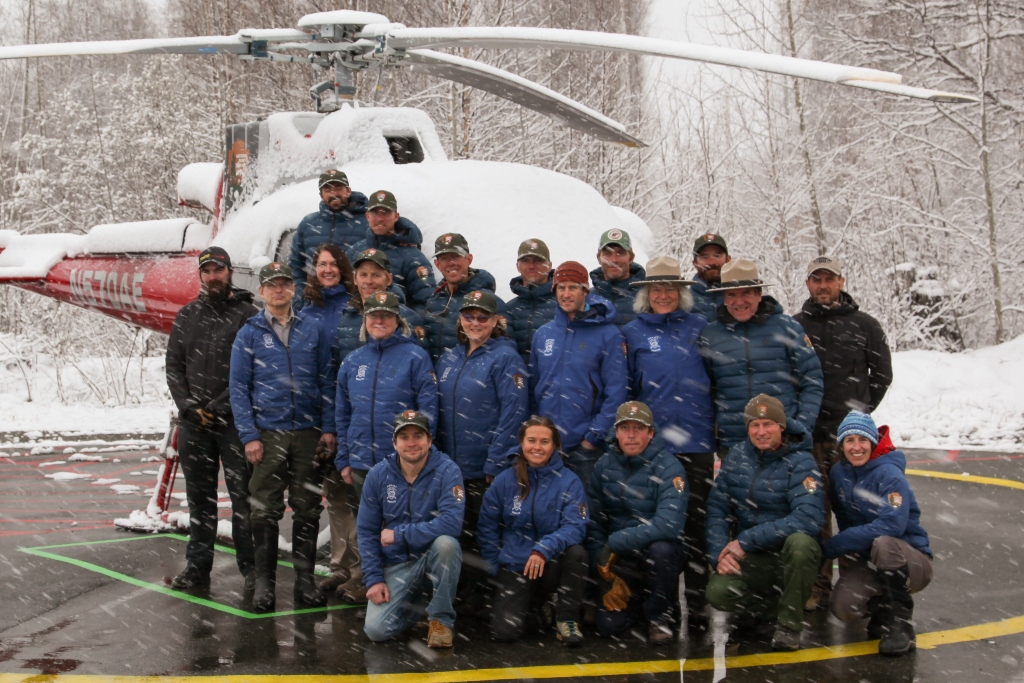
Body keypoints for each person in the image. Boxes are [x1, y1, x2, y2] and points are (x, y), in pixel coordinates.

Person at [229, 262, 336, 612]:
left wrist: (328, 428)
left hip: (308, 432)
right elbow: (238, 389)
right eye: (272, 285)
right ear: (261, 291)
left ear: (293, 289)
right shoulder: (249, 333)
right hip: (268, 433)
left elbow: (325, 382)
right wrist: (249, 435)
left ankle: (304, 583)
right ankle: (265, 585)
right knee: (264, 511)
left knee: (306, 508)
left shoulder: (312, 329)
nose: (278, 290)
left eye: (284, 284)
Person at [793, 255, 894, 611]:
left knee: (855, 515)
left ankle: (856, 586)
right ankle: (817, 586)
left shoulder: (866, 325)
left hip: (853, 442)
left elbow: (882, 376)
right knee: (815, 514)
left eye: (829, 279)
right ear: (807, 284)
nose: (823, 285)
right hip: (812, 437)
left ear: (842, 281)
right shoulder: (795, 326)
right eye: (816, 280)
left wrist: (859, 417)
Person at [622, 256, 714, 629]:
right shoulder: (633, 333)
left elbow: (716, 380)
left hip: (696, 444)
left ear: (681, 292)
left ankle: (698, 607)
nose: (663, 294)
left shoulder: (700, 328)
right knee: (657, 529)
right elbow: (626, 389)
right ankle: (660, 609)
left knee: (696, 527)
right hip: (654, 447)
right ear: (645, 294)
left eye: (670, 288)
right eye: (656, 288)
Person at [165, 246, 257, 591]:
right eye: (207, 271)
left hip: (233, 423)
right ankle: (198, 566)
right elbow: (174, 365)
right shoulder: (187, 315)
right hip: (194, 424)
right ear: (201, 275)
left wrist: (220, 407)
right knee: (199, 500)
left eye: (219, 270)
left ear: (229, 272)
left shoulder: (248, 315)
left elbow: (252, 371)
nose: (213, 276)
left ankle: (251, 570)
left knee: (242, 498)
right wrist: (188, 406)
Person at [705, 395, 824, 652]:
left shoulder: (802, 462)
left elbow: (808, 519)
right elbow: (717, 508)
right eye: (754, 425)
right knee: (717, 593)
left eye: (768, 424)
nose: (761, 432)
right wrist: (718, 554)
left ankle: (789, 626)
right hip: (753, 557)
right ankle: (767, 611)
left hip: (786, 556)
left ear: (781, 426)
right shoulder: (736, 457)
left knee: (802, 543)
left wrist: (747, 540)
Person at [825, 411, 932, 656]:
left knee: (885, 543)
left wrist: (835, 545)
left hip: (912, 560)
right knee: (843, 607)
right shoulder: (838, 473)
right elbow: (844, 521)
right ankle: (884, 609)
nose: (856, 447)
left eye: (862, 440)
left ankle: (902, 626)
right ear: (841, 445)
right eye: (849, 440)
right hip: (872, 560)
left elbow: (892, 526)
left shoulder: (890, 474)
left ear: (873, 443)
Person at [478, 416, 589, 646]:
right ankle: (539, 604)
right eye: (531, 440)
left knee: (577, 553)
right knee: (504, 633)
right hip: (518, 562)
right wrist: (495, 563)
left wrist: (544, 548)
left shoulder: (570, 481)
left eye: (544, 441)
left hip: (553, 562)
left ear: (555, 446)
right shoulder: (504, 481)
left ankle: (567, 619)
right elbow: (487, 524)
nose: (537, 447)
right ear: (521, 443)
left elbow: (575, 526)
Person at [358, 411, 465, 648]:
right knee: (376, 631)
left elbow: (452, 523)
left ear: (429, 440)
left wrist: (399, 534)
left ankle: (440, 620)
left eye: (418, 435)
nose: (412, 443)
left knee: (447, 544)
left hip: (430, 559)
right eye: (404, 437)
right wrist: (374, 579)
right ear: (394, 443)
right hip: (395, 563)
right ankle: (420, 608)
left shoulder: (448, 470)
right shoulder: (378, 475)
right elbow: (366, 532)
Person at [295, 244, 365, 601]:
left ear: (343, 269)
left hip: (348, 411)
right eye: (321, 264)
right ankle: (340, 567)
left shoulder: (353, 308)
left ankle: (359, 571)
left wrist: (335, 424)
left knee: (354, 495)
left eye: (333, 264)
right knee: (334, 496)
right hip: (315, 416)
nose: (327, 270)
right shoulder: (306, 311)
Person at [698, 259, 824, 455]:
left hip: (783, 440)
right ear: (723, 297)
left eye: (746, 293)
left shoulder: (787, 328)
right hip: (734, 442)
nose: (739, 302)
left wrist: (800, 425)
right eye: (731, 294)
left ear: (759, 294)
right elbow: (707, 388)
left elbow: (812, 380)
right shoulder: (710, 335)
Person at [587, 401, 689, 644]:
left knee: (662, 549)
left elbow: (669, 524)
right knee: (609, 628)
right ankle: (635, 602)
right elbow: (594, 521)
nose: (631, 435)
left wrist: (615, 542)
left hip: (656, 554)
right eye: (625, 428)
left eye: (638, 429)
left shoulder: (670, 467)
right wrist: (605, 572)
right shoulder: (603, 466)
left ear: (651, 433)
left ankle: (659, 615)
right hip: (620, 560)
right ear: (616, 432)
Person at [435, 290, 528, 547]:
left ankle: (489, 587)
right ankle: (463, 586)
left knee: (485, 535)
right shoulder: (449, 358)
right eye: (468, 316)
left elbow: (514, 413)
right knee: (457, 533)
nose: (474, 323)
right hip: (451, 468)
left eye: (482, 317)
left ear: (495, 321)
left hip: (484, 469)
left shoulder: (505, 358)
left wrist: (497, 460)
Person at [530, 261, 628, 487]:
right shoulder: (543, 335)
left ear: (585, 290)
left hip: (586, 448)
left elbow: (617, 390)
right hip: (546, 445)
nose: (566, 294)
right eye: (561, 288)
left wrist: (594, 437)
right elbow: (534, 386)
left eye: (573, 287)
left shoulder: (608, 334)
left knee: (586, 512)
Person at [335, 291, 438, 498]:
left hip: (403, 462)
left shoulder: (416, 357)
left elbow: (429, 412)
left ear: (397, 320)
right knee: (365, 527)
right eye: (374, 315)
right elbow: (342, 414)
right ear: (365, 319)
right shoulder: (352, 361)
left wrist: (421, 458)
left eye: (387, 315)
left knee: (400, 529)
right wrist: (344, 458)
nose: (379, 320)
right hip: (360, 461)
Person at [346, 190, 436, 309]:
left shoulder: (414, 257)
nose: (380, 218)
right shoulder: (354, 252)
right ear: (367, 216)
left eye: (386, 213)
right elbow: (343, 295)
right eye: (374, 213)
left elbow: (426, 303)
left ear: (396, 216)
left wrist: (403, 322)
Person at [289, 169, 370, 300]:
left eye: (338, 188)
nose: (334, 193)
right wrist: (301, 298)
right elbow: (295, 265)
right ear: (321, 195)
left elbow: (390, 227)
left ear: (348, 191)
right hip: (317, 304)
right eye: (328, 190)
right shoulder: (308, 223)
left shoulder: (367, 221)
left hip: (354, 305)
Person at [423, 232, 505, 361]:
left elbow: (504, 346)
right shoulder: (433, 300)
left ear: (469, 259)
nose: (450, 263)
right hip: (439, 375)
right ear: (437, 264)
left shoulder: (488, 300)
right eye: (444, 258)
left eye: (455, 256)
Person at [336, 249, 430, 361]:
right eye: (363, 275)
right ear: (355, 279)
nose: (369, 281)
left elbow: (421, 365)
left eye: (376, 275)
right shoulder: (347, 318)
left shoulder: (409, 318)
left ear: (389, 279)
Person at [505, 238, 557, 366]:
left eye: (538, 260)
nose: (532, 266)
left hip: (552, 382)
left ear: (549, 266)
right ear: (518, 266)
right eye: (525, 261)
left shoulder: (563, 306)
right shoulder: (508, 309)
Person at [589, 229, 646, 327]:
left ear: (631, 258)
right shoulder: (587, 298)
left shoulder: (647, 296)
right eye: (607, 253)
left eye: (620, 253)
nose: (614, 260)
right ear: (599, 258)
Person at [689, 233, 731, 322]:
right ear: (695, 263)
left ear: (728, 260)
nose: (711, 262)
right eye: (704, 257)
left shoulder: (743, 297)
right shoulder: (685, 301)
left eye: (717, 256)